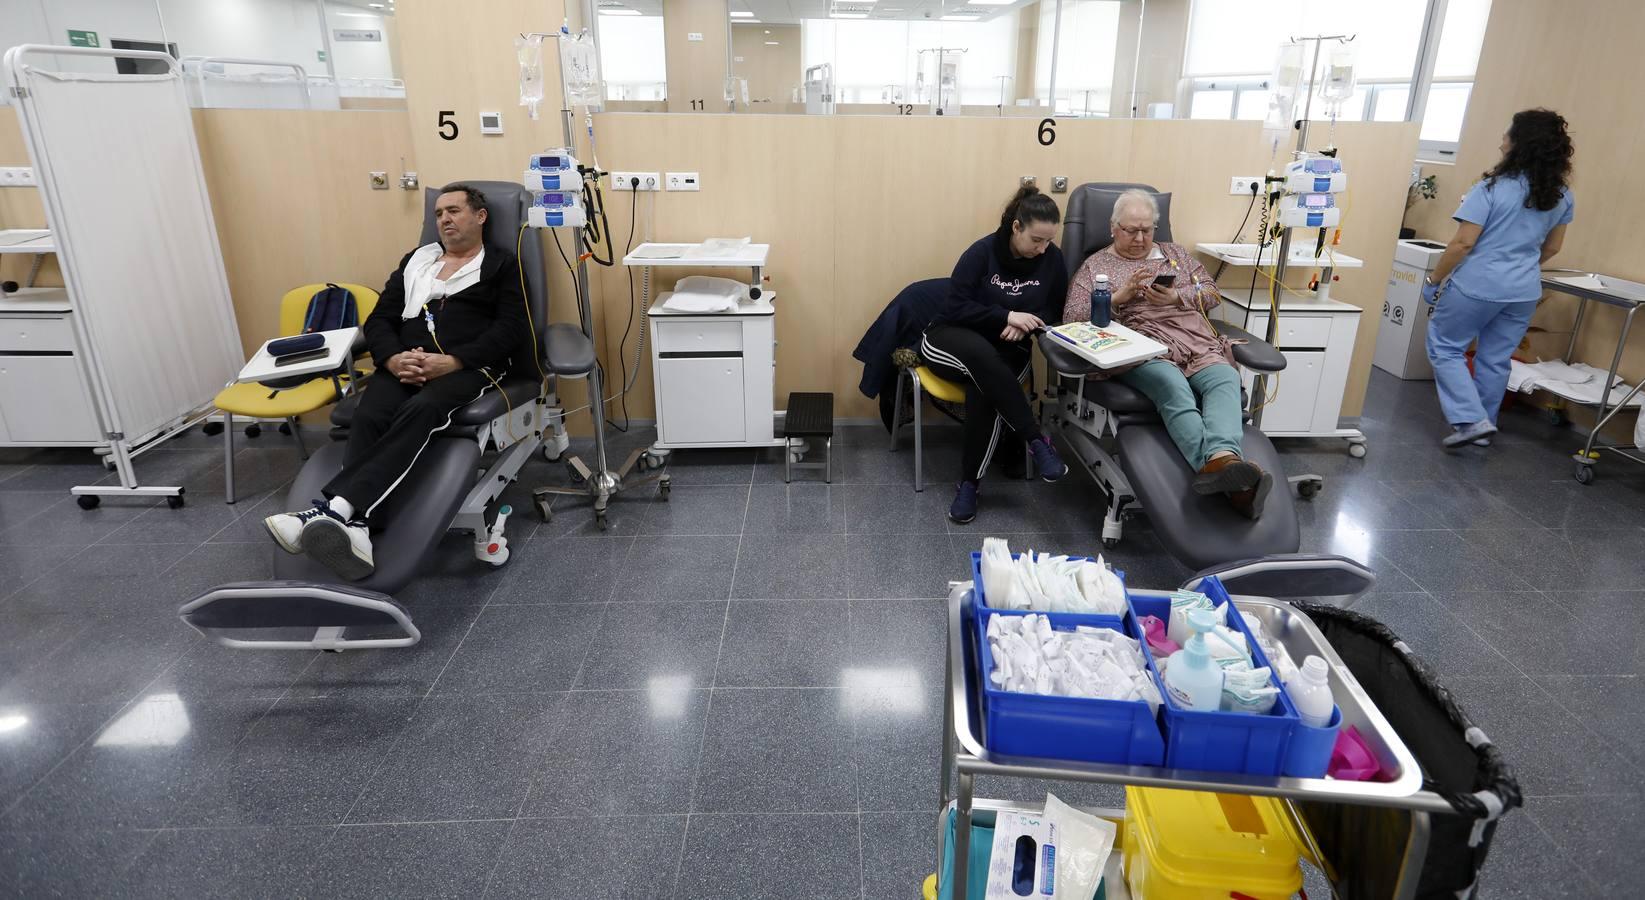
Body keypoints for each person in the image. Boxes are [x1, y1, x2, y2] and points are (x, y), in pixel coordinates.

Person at [263, 183, 529, 580]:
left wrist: (453, 361)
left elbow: (511, 329)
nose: (444, 220)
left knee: (422, 410)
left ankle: (335, 511)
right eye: (438, 214)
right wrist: (391, 358)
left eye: (454, 211)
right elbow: (380, 319)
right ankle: (355, 529)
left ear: (480, 216)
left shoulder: (501, 265)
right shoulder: (416, 262)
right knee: (371, 412)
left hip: (467, 368)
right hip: (404, 364)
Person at [1064, 189, 1272, 519]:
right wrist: (1118, 297)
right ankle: (1230, 476)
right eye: (1131, 230)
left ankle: (1222, 463)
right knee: (1172, 385)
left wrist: (1177, 297)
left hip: (1192, 337)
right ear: (1113, 228)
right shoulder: (1097, 265)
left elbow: (1211, 293)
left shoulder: (1175, 254)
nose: (1140, 238)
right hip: (1141, 344)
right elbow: (1073, 317)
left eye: (1147, 230)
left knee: (1225, 378)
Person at [1424, 108, 1574, 449]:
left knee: (1445, 347)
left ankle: (1469, 419)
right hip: (1522, 291)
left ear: (1519, 143)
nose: (1502, 139)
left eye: (1507, 133)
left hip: (1477, 285)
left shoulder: (1491, 188)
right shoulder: (1562, 195)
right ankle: (1484, 427)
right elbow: (1552, 248)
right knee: (1494, 358)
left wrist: (1433, 281)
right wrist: (1517, 264)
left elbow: (1463, 243)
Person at [922, 186, 1070, 524]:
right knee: (981, 358)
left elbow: (1055, 308)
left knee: (984, 389)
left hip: (1009, 347)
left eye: (1048, 241)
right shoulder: (981, 252)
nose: (1043, 249)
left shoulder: (1053, 259)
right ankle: (1035, 438)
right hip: (949, 340)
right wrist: (1005, 316)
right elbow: (955, 307)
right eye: (1036, 240)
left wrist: (1027, 322)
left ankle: (969, 485)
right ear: (1017, 227)